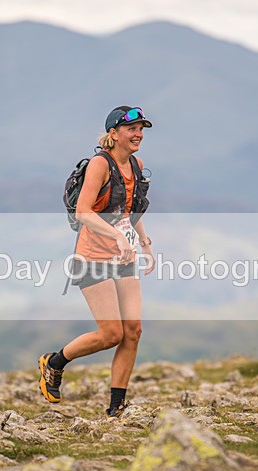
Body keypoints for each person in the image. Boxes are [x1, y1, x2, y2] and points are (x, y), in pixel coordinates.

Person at [38, 105, 155, 418]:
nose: (139, 134)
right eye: (132, 129)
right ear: (114, 134)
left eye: (142, 129)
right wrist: (117, 237)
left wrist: (144, 243)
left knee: (133, 331)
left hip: (125, 255)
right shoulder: (100, 165)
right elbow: (84, 211)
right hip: (92, 256)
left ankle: (116, 408)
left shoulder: (137, 164)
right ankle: (55, 362)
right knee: (111, 334)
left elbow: (131, 210)